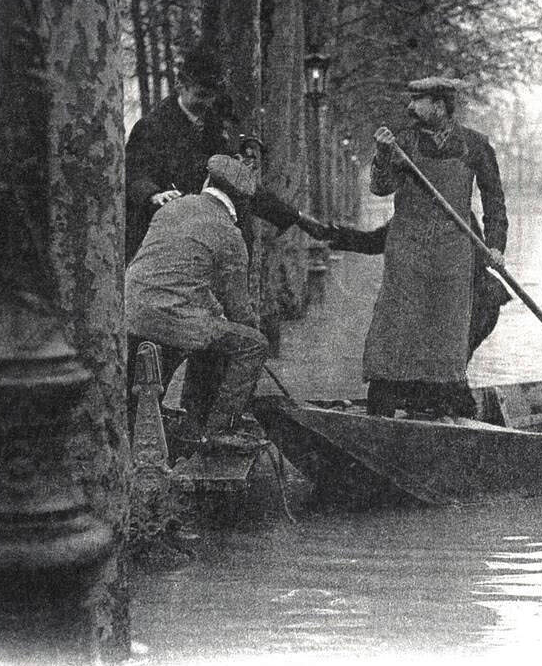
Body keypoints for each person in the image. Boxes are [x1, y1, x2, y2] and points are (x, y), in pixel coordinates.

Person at [364, 76, 508, 419]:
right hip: (407, 253)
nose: (410, 107)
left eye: (419, 101)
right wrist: (384, 155)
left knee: (446, 335)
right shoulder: (402, 144)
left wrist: (496, 246)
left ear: (440, 106)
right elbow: (380, 188)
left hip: (452, 257)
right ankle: (383, 408)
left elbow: (494, 200)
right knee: (395, 329)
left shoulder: (475, 146)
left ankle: (442, 409)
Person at [125, 46, 329, 262]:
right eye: (201, 95)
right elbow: (133, 175)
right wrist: (154, 195)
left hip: (209, 247)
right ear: (180, 87)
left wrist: (295, 217)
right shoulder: (151, 127)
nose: (207, 103)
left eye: (212, 96)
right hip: (164, 244)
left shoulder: (214, 128)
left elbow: (240, 187)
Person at [125, 154, 267, 443]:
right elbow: (240, 311)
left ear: (207, 181)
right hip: (173, 322)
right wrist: (251, 325)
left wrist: (213, 310)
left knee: (212, 329)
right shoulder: (230, 235)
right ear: (242, 203)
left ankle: (190, 423)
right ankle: (220, 430)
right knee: (253, 345)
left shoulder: (171, 209)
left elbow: (176, 275)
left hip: (131, 310)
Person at [320, 216, 511, 359]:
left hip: (477, 301)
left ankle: (448, 404)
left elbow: (475, 259)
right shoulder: (410, 213)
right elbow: (375, 242)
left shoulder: (457, 211)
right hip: (456, 302)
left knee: (449, 363)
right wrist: (334, 234)